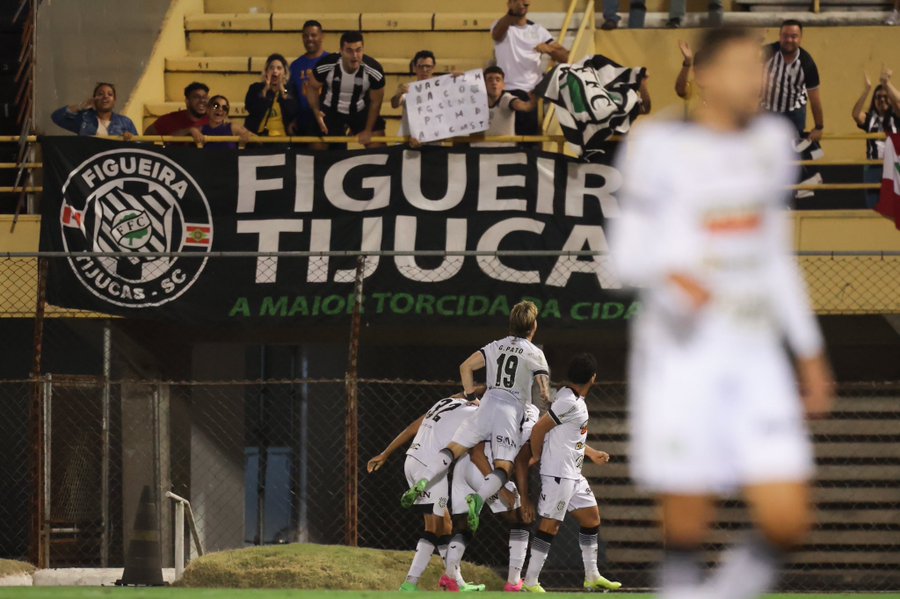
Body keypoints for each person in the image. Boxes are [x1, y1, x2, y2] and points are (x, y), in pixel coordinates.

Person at [611, 26, 834, 599]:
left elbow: (774, 256)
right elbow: (625, 256)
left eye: (756, 66)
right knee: (688, 521)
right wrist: (682, 280)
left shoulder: (768, 145)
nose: (755, 78)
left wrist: (808, 351)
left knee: (789, 519)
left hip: (756, 356)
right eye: (739, 66)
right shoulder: (655, 145)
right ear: (705, 77)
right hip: (680, 357)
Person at [401, 300, 551, 536]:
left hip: (486, 405)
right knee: (503, 467)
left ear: (511, 324)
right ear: (533, 326)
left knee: (453, 449)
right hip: (509, 412)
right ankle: (479, 500)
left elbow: (465, 367)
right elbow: (542, 381)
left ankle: (423, 480)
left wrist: (471, 396)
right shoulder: (535, 353)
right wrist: (545, 394)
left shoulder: (494, 346)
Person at [522, 353, 622, 593]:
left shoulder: (570, 397)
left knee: (591, 519)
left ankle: (592, 575)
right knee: (550, 526)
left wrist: (591, 452)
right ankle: (530, 581)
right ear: (593, 378)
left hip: (573, 474)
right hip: (559, 474)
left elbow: (566, 436)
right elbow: (539, 429)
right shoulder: (569, 401)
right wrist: (536, 455)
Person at [366, 392, 481, 592]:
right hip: (430, 466)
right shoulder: (478, 413)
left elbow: (413, 426)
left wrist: (386, 453)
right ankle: (410, 583)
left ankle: (455, 581)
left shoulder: (446, 402)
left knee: (445, 525)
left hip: (411, 460)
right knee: (434, 528)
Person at [443, 403, 539, 592]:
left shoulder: (491, 403)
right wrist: (501, 488)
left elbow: (473, 447)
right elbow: (519, 460)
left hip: (462, 466)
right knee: (521, 518)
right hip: (483, 466)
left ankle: (450, 578)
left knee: (464, 525)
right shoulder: (529, 413)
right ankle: (513, 581)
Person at [492, 0, 568, 136]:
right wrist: (511, 13)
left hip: (531, 93)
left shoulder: (538, 30)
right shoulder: (501, 26)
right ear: (509, 4)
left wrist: (549, 49)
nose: (522, 3)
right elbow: (496, 35)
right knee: (508, 140)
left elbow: (565, 57)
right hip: (507, 92)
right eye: (517, 1)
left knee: (531, 142)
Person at [307, 31, 387, 148]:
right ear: (341, 51)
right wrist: (316, 112)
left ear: (363, 50)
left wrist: (368, 130)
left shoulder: (374, 71)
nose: (354, 55)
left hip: (360, 110)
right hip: (330, 110)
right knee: (317, 146)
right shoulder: (327, 64)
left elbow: (376, 102)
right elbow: (312, 87)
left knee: (377, 144)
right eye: (349, 50)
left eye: (358, 50)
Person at [852, 67, 900, 208]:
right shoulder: (870, 118)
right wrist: (867, 90)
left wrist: (886, 84)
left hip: (894, 166)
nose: (882, 100)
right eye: (878, 97)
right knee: (874, 204)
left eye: (885, 97)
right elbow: (856, 114)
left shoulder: (896, 117)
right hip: (873, 166)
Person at [473, 66, 537, 148]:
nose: (494, 82)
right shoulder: (475, 100)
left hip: (505, 152)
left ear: (503, 85)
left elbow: (524, 106)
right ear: (484, 84)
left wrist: (532, 102)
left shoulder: (506, 99)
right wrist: (458, 80)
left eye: (498, 79)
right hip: (478, 152)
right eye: (490, 79)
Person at [51, 82, 138, 138]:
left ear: (114, 100)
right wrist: (80, 106)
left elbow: (140, 147)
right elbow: (57, 117)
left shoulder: (126, 122)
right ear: (94, 99)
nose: (105, 96)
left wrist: (130, 139)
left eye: (110, 94)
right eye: (100, 94)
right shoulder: (84, 119)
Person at [288, 20, 329, 135]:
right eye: (306, 36)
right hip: (303, 124)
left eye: (313, 35)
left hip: (328, 120)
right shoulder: (296, 65)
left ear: (322, 36)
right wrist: (294, 119)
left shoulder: (331, 61)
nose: (309, 39)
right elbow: (293, 96)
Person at [244, 53, 300, 137]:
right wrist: (265, 89)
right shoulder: (255, 88)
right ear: (266, 71)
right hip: (258, 139)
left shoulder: (291, 90)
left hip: (282, 139)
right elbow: (252, 109)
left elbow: (292, 111)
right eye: (271, 68)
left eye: (279, 68)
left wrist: (282, 89)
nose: (275, 71)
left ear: (285, 72)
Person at [392, 50, 436, 146]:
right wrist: (399, 94)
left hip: (433, 144)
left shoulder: (441, 91)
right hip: (407, 141)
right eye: (421, 66)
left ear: (433, 68)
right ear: (415, 67)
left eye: (428, 66)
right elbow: (394, 104)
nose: (424, 70)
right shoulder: (407, 89)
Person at [188, 95, 253, 149]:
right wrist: (192, 130)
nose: (220, 109)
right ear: (208, 109)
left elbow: (258, 139)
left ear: (226, 113)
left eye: (224, 108)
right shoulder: (200, 129)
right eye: (216, 106)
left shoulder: (233, 128)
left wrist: (247, 134)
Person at [145, 81, 209, 135]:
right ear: (187, 101)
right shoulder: (170, 120)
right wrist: (187, 131)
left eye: (205, 97)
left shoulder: (214, 120)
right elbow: (146, 136)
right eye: (196, 97)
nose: (202, 100)